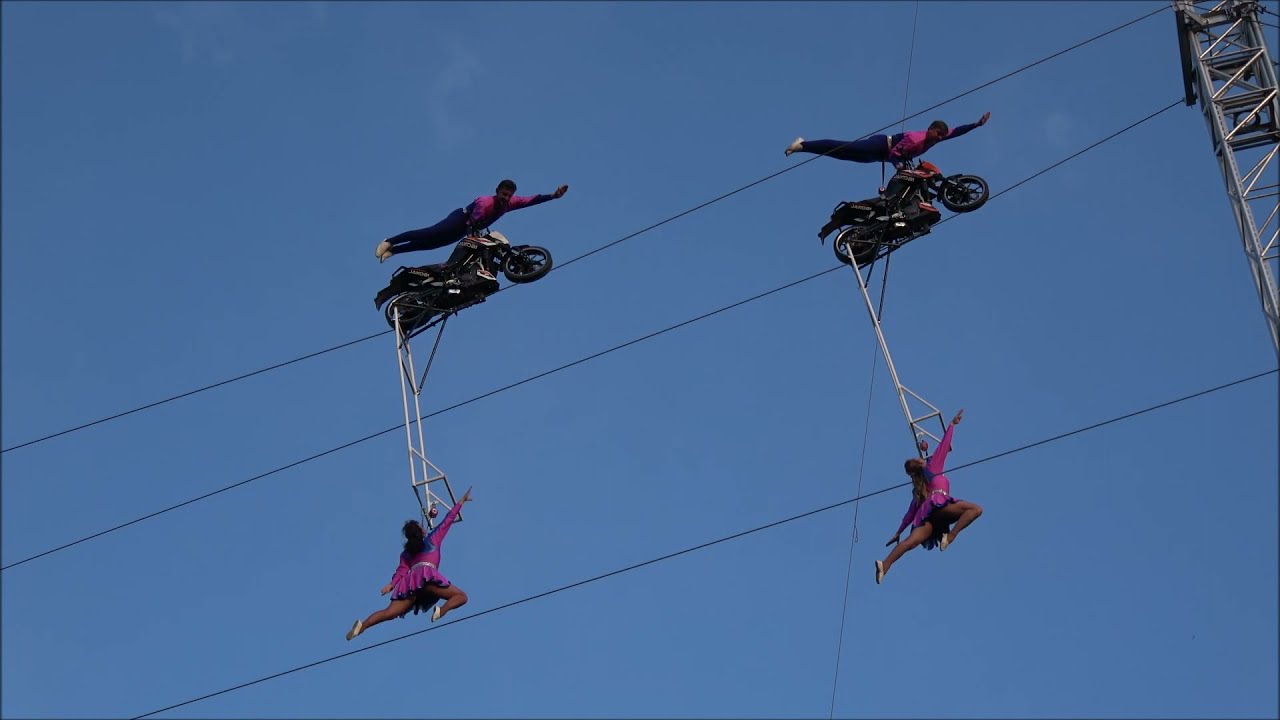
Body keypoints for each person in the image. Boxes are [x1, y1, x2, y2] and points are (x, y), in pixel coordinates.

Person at [346, 488, 474, 640]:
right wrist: (461, 502)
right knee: (461, 596)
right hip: (427, 579)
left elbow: (400, 572)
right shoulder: (432, 540)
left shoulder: (407, 553)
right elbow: (447, 520)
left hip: (410, 585)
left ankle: (363, 626)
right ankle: (441, 611)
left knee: (388, 613)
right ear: (421, 531)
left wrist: (391, 585)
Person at [874, 409, 983, 584]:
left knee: (910, 542)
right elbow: (943, 447)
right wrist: (952, 425)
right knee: (976, 509)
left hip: (928, 519)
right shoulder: (932, 468)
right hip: (940, 508)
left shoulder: (920, 487)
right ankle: (950, 537)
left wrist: (899, 532)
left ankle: (885, 565)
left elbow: (910, 514)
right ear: (920, 463)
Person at [374, 180, 569, 266]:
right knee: (430, 233)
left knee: (432, 245)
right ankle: (390, 241)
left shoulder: (511, 203)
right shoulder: (485, 202)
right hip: (461, 219)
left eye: (508, 196)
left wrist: (553, 196)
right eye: (503, 194)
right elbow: (473, 221)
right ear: (497, 191)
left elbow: (531, 200)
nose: (505, 198)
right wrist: (472, 236)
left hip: (467, 229)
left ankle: (394, 252)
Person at [785, 112, 991, 167]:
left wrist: (976, 125)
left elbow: (955, 132)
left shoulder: (934, 139)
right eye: (938, 134)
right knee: (843, 147)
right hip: (883, 146)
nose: (939, 139)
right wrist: (898, 166)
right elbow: (895, 154)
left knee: (843, 156)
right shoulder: (917, 139)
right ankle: (803, 145)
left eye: (941, 137)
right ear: (931, 129)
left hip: (879, 156)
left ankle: (804, 147)